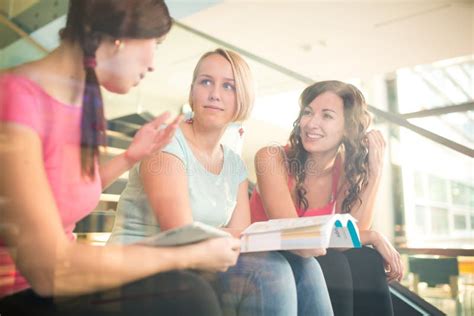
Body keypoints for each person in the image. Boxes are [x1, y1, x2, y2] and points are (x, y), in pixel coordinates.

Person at [0, 1, 242, 315]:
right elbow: (49, 272)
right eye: (154, 44)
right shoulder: (14, 98)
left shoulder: (79, 98)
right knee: (188, 295)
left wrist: (130, 157)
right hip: (19, 294)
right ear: (120, 37)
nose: (153, 62)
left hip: (56, 288)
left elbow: (57, 194)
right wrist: (186, 257)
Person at [109, 48, 334, 315]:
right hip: (144, 264)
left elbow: (240, 236)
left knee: (305, 267)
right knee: (270, 270)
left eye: (228, 86)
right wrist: (271, 236)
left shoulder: (234, 164)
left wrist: (278, 240)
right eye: (206, 82)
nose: (215, 93)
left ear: (242, 99)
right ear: (192, 91)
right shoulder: (167, 142)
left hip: (199, 262)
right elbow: (180, 233)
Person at [250, 80, 404, 316]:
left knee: (365, 259)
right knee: (333, 262)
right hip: (268, 258)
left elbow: (353, 235)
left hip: (312, 257)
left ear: (348, 129)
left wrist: (375, 172)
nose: (311, 123)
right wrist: (373, 235)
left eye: (327, 116)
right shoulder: (271, 158)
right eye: (308, 112)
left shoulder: (342, 169)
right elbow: (295, 239)